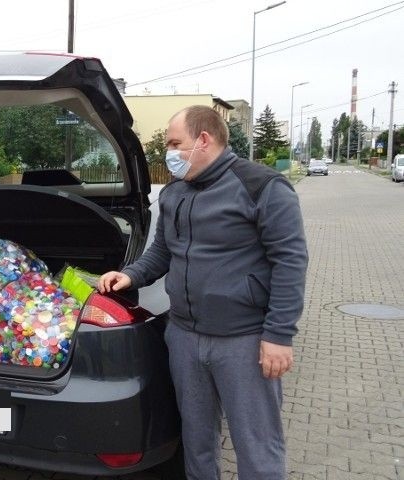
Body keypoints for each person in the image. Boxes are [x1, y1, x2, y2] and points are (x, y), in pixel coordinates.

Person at [98, 106, 307, 479]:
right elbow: (163, 252)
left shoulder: (263, 187)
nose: (169, 152)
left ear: (204, 140)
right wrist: (129, 276)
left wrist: (279, 335)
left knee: (257, 445)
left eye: (175, 143)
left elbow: (290, 264)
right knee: (196, 442)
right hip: (185, 337)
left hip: (243, 341)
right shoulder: (176, 192)